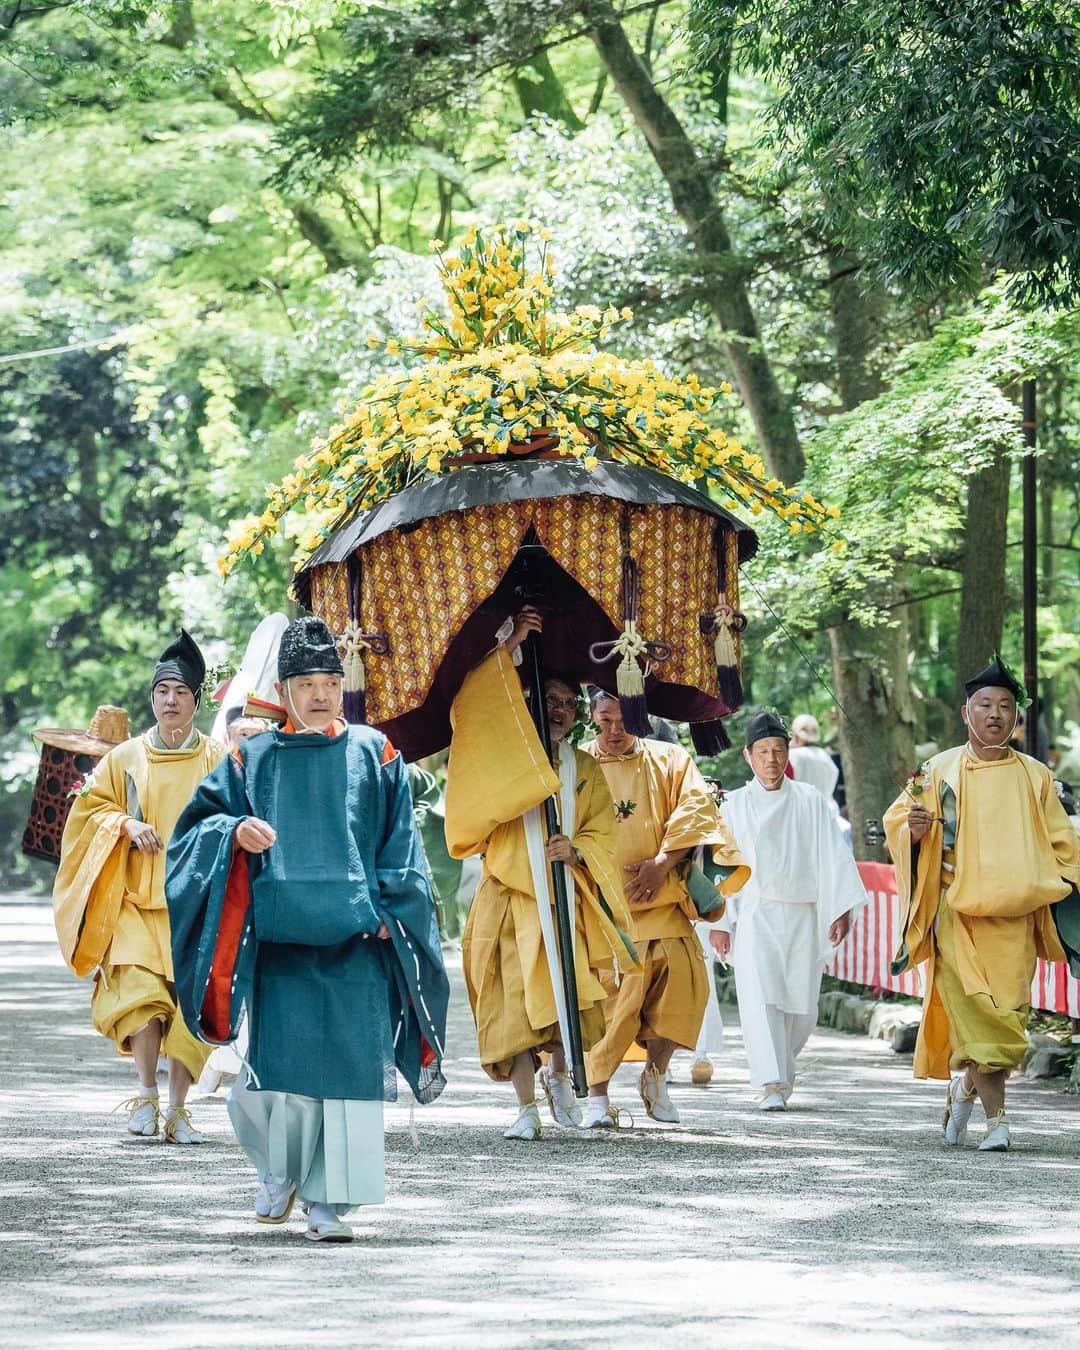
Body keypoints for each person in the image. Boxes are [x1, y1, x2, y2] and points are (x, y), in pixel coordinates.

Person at [167, 616, 449, 1241]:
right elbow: (193, 832)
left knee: (350, 1077)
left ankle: (332, 1205)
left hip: (357, 943)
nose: (321, 693)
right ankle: (278, 1169)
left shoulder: (376, 752)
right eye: (306, 682)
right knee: (280, 1076)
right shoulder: (251, 756)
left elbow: (401, 842)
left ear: (343, 685)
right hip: (279, 944)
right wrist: (233, 833)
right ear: (285, 688)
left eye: (330, 680)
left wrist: (392, 907)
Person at [444, 608, 636, 1142]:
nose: (561, 711)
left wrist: (574, 851)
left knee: (565, 1000)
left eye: (569, 705)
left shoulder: (583, 767)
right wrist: (512, 647)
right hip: (509, 896)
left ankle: (558, 1075)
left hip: (559, 896)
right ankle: (525, 1107)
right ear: (528, 702)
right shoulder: (502, 756)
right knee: (512, 1011)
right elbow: (471, 709)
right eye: (549, 701)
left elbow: (603, 833)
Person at [884, 657, 1079, 1152]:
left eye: (1005, 707)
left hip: (1015, 918)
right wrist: (916, 830)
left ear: (1017, 719)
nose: (995, 714)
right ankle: (998, 1122)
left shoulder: (1036, 777)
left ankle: (963, 1087)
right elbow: (899, 824)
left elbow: (1065, 847)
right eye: (985, 705)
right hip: (957, 914)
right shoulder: (938, 770)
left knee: (1007, 1019)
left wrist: (1059, 882)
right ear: (965, 713)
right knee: (978, 1016)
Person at [52, 631, 225, 1143]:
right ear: (151, 699)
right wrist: (125, 826)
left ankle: (178, 1111)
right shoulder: (125, 757)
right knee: (142, 998)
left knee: (189, 1008)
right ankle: (146, 1097)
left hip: (192, 902)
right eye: (161, 692)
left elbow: (238, 813)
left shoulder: (215, 757)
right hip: (133, 899)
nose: (170, 701)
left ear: (195, 700)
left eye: (180, 692)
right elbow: (90, 812)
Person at [581, 691, 750, 1128]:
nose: (615, 731)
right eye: (605, 721)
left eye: (623, 720)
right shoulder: (577, 761)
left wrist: (661, 864)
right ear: (591, 717)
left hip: (664, 898)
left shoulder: (670, 758)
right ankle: (597, 1098)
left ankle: (655, 1075)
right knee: (612, 1007)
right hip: (602, 905)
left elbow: (697, 810)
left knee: (684, 994)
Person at [712, 711, 866, 1110]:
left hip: (804, 913)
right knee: (760, 996)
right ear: (748, 756)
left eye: (778, 750)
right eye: (762, 751)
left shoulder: (811, 802)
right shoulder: (734, 805)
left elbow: (834, 858)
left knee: (802, 1006)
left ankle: (783, 1066)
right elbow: (722, 867)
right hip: (755, 913)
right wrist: (721, 922)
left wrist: (841, 909)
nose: (771, 759)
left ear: (788, 753)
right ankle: (771, 1082)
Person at [787, 713, 840, 810]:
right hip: (827, 813)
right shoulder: (826, 756)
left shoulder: (791, 756)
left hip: (801, 813)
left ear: (796, 736)